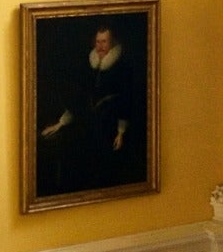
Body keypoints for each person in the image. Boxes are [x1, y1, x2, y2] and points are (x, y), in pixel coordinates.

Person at [39, 22, 144, 195]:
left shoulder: (122, 68)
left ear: (112, 43)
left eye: (104, 42)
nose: (100, 46)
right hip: (90, 126)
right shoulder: (90, 65)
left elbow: (126, 101)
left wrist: (120, 132)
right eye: (98, 42)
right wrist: (60, 124)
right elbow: (81, 100)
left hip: (111, 127)